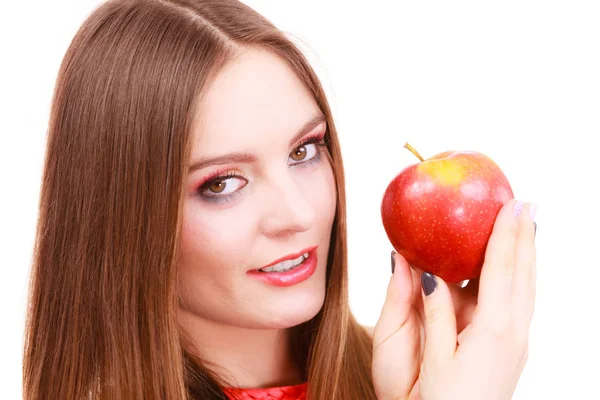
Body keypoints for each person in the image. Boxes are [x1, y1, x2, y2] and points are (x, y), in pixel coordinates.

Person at [22, 0, 537, 399]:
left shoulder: (417, 376)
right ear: (123, 218)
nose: (299, 215)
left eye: (304, 151)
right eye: (222, 184)